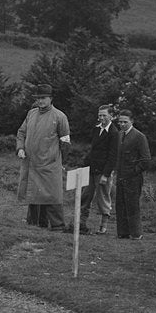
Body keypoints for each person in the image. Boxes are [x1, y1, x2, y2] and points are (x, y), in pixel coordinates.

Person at [16, 83, 71, 232]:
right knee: (33, 192)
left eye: (43, 98)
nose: (40, 101)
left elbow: (65, 142)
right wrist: (20, 148)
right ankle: (35, 223)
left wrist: (60, 161)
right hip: (31, 162)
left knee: (52, 194)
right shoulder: (31, 114)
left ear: (51, 98)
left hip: (49, 164)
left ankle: (58, 225)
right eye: (38, 98)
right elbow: (21, 133)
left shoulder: (60, 116)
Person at [78, 105, 118, 235]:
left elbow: (113, 156)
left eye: (104, 115)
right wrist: (85, 165)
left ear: (111, 116)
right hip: (91, 169)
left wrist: (106, 174)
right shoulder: (96, 129)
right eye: (100, 115)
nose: (101, 118)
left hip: (103, 171)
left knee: (103, 198)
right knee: (85, 195)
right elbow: (92, 150)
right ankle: (81, 223)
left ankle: (103, 226)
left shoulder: (114, 133)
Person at [114, 109, 151, 240]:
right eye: (120, 122)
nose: (122, 124)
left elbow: (146, 160)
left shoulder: (139, 137)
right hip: (120, 176)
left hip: (133, 178)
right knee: (120, 204)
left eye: (125, 122)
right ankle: (123, 232)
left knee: (132, 205)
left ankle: (136, 233)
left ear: (132, 121)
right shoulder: (119, 135)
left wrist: (133, 172)